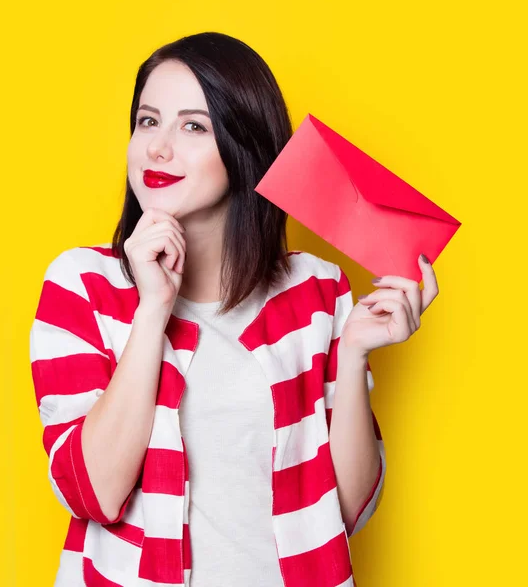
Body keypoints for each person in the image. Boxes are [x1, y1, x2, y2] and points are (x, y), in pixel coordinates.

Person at [29, 31, 439, 587]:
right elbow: (92, 494)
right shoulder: (82, 284)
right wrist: (154, 308)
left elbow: (346, 513)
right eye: (148, 121)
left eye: (193, 126)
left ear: (243, 147)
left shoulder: (319, 293)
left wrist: (354, 354)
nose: (158, 147)